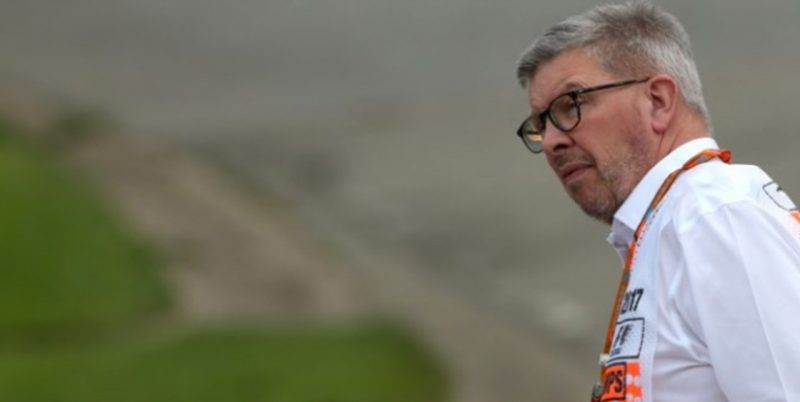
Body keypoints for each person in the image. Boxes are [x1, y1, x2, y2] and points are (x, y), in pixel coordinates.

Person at [514, 2, 800, 401]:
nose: (550, 141)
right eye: (541, 123)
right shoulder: (672, 222)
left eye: (570, 105)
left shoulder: (713, 217)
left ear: (659, 101)